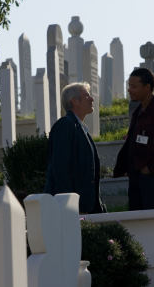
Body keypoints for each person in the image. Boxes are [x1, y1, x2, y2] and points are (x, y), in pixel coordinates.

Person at [113, 68, 154, 210]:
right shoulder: (138, 111)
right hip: (136, 180)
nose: (129, 90)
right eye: (128, 86)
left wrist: (151, 168)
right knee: (137, 227)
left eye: (134, 86)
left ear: (147, 87)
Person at [45, 82, 105, 214]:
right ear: (74, 101)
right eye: (87, 96)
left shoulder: (79, 128)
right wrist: (71, 206)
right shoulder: (65, 126)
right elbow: (61, 168)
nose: (92, 99)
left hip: (86, 206)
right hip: (72, 208)